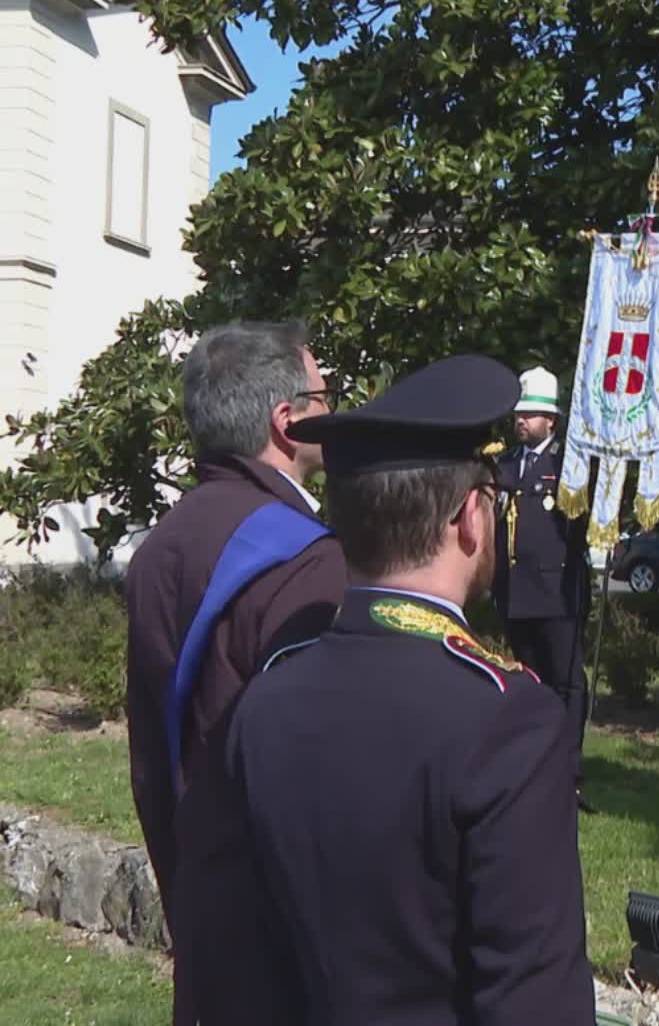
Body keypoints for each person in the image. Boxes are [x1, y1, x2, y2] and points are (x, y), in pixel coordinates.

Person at [219, 353, 594, 1024]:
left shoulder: (267, 697)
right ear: (471, 518)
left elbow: (248, 963)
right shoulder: (508, 720)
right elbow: (535, 997)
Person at [121, 319, 348, 1024]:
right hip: (282, 929)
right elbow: (323, 777)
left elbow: (151, 758)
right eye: (323, 393)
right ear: (288, 421)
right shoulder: (307, 560)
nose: (332, 406)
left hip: (199, 888)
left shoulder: (161, 545)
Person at [491, 365, 593, 809]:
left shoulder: (568, 464)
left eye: (532, 414)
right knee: (528, 682)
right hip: (516, 590)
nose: (522, 420)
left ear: (551, 419)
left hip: (558, 592)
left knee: (566, 684)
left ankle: (567, 770)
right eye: (519, 412)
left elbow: (584, 523)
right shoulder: (506, 463)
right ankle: (533, 764)